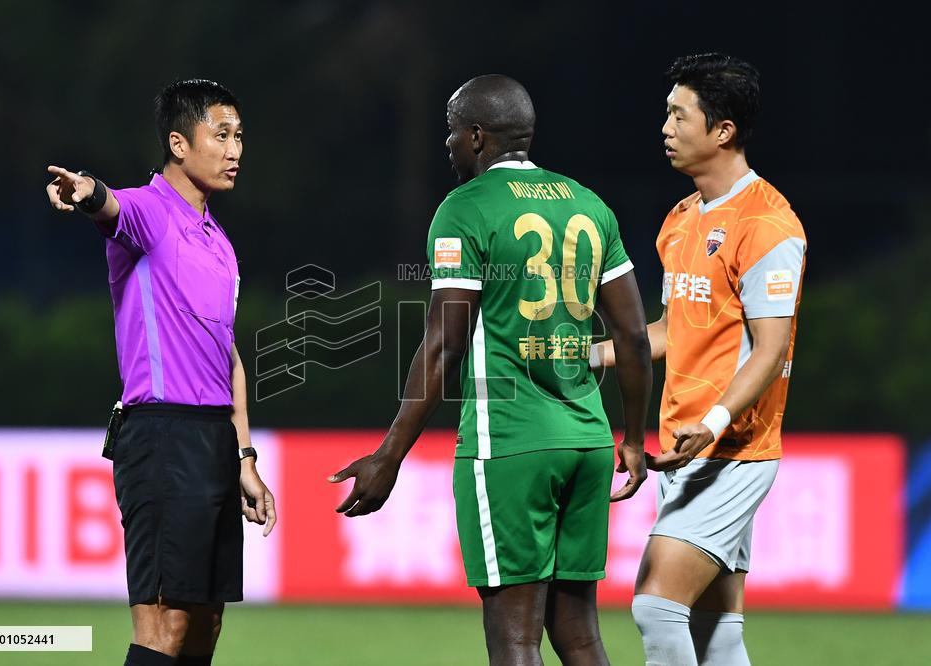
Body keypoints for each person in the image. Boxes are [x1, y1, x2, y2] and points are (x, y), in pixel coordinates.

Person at [329, 74, 652, 666]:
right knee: (579, 634)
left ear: (477, 137)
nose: (447, 144)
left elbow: (444, 345)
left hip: (510, 444)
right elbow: (632, 335)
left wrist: (389, 454)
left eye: (451, 132)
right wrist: (632, 438)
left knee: (514, 637)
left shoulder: (466, 208)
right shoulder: (588, 203)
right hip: (587, 441)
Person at [45, 79, 276, 666]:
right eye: (220, 135)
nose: (235, 151)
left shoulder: (219, 243)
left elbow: (227, 353)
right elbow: (108, 204)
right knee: (163, 626)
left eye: (240, 136)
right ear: (178, 143)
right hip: (161, 436)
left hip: (215, 442)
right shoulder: (148, 211)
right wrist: (83, 190)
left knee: (204, 623)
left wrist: (244, 455)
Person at [591, 53, 806, 665]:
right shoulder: (681, 220)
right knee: (717, 630)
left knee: (655, 606)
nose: (665, 128)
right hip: (684, 445)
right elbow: (668, 330)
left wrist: (711, 424)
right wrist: (589, 355)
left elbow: (771, 350)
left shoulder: (768, 223)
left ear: (722, 131)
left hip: (730, 449)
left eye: (678, 116)